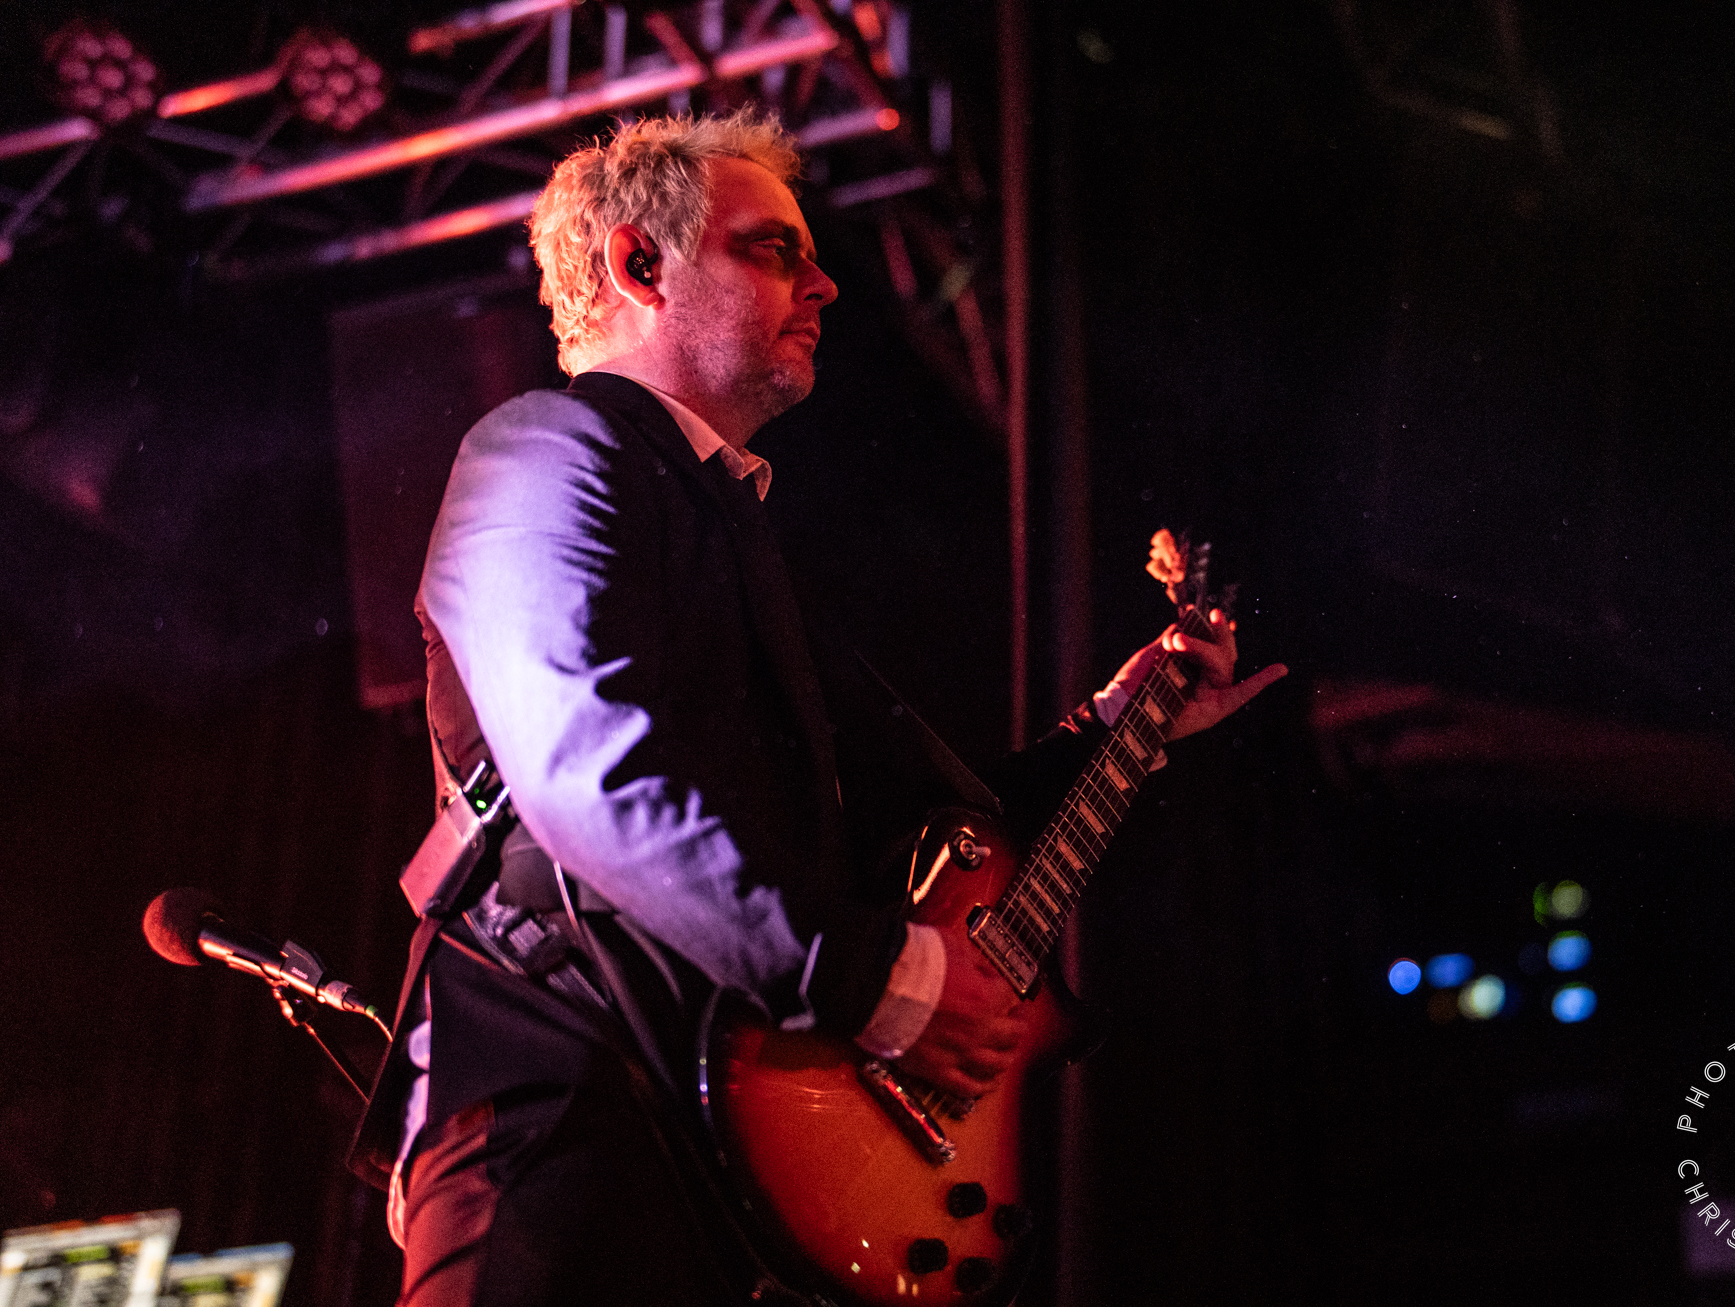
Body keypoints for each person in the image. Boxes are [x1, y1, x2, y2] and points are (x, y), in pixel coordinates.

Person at [351, 108, 1285, 1306]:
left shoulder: (728, 530)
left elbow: (919, 835)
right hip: (573, 1113)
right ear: (640, 264)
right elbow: (584, 762)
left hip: (728, 1163)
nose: (825, 281)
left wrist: (1116, 734)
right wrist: (875, 981)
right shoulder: (546, 447)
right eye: (774, 248)